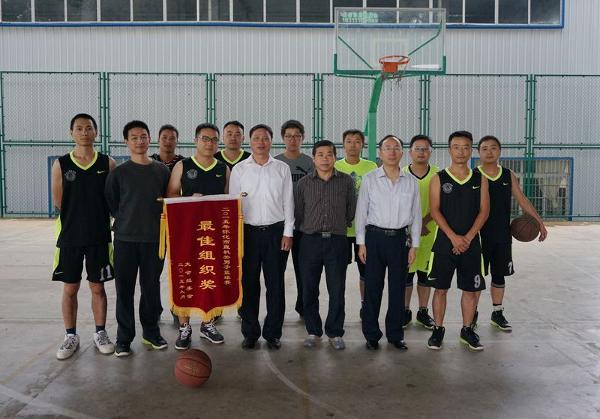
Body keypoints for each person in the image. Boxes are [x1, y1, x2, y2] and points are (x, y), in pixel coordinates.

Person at [51, 113, 117, 360]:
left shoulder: (108, 163)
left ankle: (100, 332)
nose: (84, 132)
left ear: (96, 132)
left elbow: (112, 199)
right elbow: (60, 202)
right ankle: (70, 335)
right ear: (71, 133)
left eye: (88, 128)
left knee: (97, 287)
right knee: (70, 287)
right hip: (70, 236)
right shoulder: (61, 164)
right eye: (78, 128)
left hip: (99, 235)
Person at [105, 120, 171, 357]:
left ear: (149, 139)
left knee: (150, 288)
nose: (139, 141)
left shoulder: (162, 171)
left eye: (143, 136)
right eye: (134, 137)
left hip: (154, 239)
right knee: (124, 290)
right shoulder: (119, 173)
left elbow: (169, 202)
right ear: (126, 142)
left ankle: (151, 333)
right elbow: (112, 202)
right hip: (125, 240)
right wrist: (127, 221)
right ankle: (124, 339)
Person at [229, 124, 294, 350]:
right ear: (249, 141)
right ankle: (250, 332)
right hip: (247, 233)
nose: (260, 142)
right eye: (256, 138)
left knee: (275, 284)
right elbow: (233, 203)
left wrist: (288, 232)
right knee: (248, 284)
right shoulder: (239, 169)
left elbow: (288, 202)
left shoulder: (282, 168)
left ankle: (273, 333)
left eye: (265, 138)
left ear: (271, 141)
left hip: (276, 233)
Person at [166, 123, 230, 349]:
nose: (209, 143)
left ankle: (207, 323)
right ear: (195, 141)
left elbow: (228, 200)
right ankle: (184, 327)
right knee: (185, 276)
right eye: (205, 138)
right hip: (186, 231)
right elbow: (171, 194)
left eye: (213, 139)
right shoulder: (183, 165)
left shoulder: (223, 168)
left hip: (212, 233)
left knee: (210, 277)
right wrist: (188, 200)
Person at [475, 135, 548, 331]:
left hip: (502, 234)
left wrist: (539, 222)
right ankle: (471, 315)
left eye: (493, 148)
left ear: (499, 151)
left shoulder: (508, 175)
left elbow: (522, 199)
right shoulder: (473, 175)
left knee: (499, 275)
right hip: (478, 235)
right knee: (476, 278)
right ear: (479, 153)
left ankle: (497, 313)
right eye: (484, 148)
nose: (489, 152)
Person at [355, 135, 421, 351]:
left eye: (396, 148)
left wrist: (414, 246)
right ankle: (371, 335)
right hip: (374, 239)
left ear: (402, 153)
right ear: (380, 153)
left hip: (400, 240)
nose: (392, 152)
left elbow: (416, 216)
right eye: (387, 148)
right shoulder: (370, 179)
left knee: (398, 289)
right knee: (372, 288)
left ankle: (395, 334)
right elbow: (361, 212)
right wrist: (361, 243)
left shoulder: (410, 181)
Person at [427, 131, 489, 351]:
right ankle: (438, 329)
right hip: (445, 243)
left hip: (472, 244)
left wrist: (468, 237)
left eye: (465, 147)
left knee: (470, 290)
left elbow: (484, 211)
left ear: (471, 150)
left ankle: (467, 330)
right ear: (449, 149)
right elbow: (434, 210)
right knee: (440, 289)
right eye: (456, 147)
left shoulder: (480, 179)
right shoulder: (439, 178)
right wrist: (454, 237)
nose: (461, 152)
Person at [295, 140, 356, 350]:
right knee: (309, 289)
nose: (325, 158)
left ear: (335, 157)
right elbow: (298, 213)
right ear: (313, 158)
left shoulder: (346, 182)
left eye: (329, 154)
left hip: (337, 241)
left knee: (337, 289)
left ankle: (335, 332)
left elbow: (350, 211)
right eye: (320, 154)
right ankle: (313, 331)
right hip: (309, 241)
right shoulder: (303, 184)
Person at [334, 129, 378, 318]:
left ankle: (365, 306)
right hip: (341, 230)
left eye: (357, 141)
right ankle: (338, 308)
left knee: (366, 272)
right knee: (338, 273)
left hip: (365, 229)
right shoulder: (335, 165)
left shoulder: (371, 166)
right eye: (349, 141)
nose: (353, 145)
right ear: (343, 144)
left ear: (363, 145)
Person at [274, 119, 314, 319]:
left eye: (296, 136)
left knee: (304, 270)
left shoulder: (310, 163)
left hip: (304, 226)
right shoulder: (275, 163)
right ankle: (277, 311)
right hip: (280, 226)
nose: (292, 140)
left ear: (302, 138)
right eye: (288, 136)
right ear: (283, 138)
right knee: (276, 271)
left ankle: (304, 307)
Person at [150, 124, 184, 326]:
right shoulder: (149, 162)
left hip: (179, 224)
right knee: (153, 272)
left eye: (172, 138)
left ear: (177, 141)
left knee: (178, 270)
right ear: (158, 140)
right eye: (164, 137)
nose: (168, 141)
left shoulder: (184, 164)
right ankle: (154, 310)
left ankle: (178, 309)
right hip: (154, 225)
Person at [402, 135, 438, 330]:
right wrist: (413, 225)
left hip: (430, 232)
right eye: (418, 148)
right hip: (406, 233)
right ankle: (405, 310)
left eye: (425, 149)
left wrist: (424, 222)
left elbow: (441, 203)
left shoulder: (438, 174)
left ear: (430, 152)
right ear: (410, 152)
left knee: (425, 274)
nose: (421, 152)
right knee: (406, 275)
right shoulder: (401, 174)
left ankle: (423, 312)